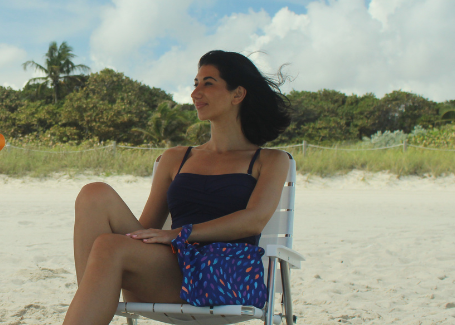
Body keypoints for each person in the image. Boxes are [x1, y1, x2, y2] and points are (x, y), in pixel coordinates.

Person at [63, 50, 292, 325]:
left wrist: (180, 233)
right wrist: (167, 238)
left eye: (208, 83)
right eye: (195, 84)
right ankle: (90, 305)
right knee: (94, 193)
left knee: (109, 246)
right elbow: (145, 229)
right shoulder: (175, 158)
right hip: (167, 272)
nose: (196, 93)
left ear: (237, 94)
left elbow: (254, 221)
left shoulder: (270, 160)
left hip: (222, 276)